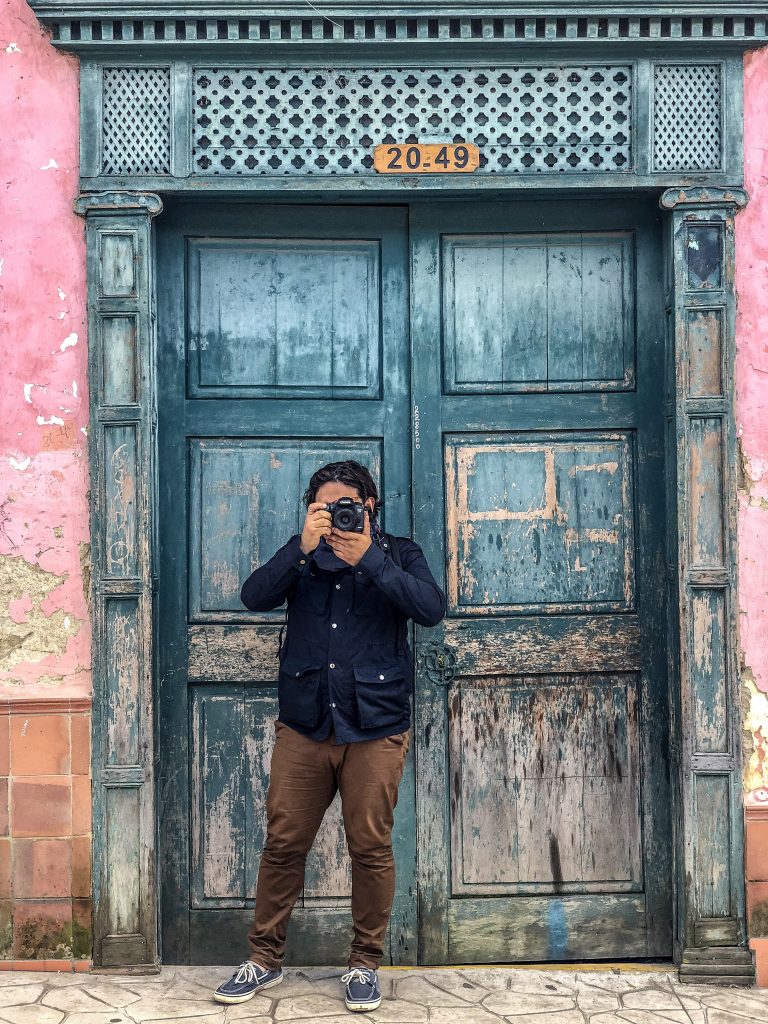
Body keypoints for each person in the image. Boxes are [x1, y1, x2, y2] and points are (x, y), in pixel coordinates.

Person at [213, 460, 445, 1013]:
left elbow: (430, 609)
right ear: (312, 510)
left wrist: (370, 559)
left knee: (369, 848)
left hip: (375, 726)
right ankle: (263, 960)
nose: (339, 516)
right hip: (306, 723)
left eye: (350, 506)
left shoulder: (399, 553)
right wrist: (300, 547)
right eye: (326, 507)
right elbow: (254, 596)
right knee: (284, 843)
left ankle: (365, 964)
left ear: (371, 506)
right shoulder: (302, 557)